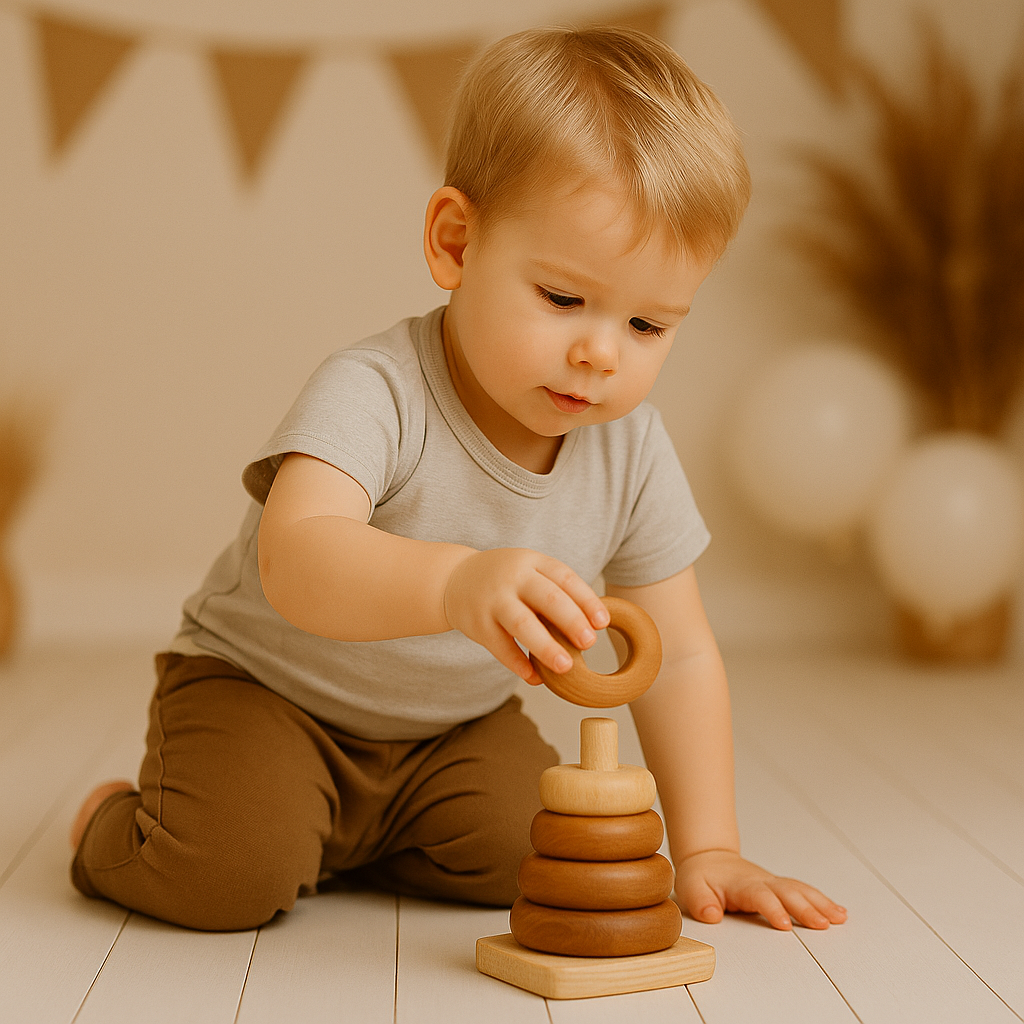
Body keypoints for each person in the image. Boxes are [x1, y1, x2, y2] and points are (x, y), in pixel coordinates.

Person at [70, 25, 846, 934]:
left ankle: (357, 834)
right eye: (563, 299)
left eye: (648, 325)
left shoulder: (630, 448)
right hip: (268, 694)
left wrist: (710, 846)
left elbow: (676, 655)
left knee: (556, 860)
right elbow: (298, 555)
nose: (600, 353)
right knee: (226, 876)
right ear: (455, 243)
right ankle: (110, 821)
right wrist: (454, 581)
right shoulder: (376, 391)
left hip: (445, 733)